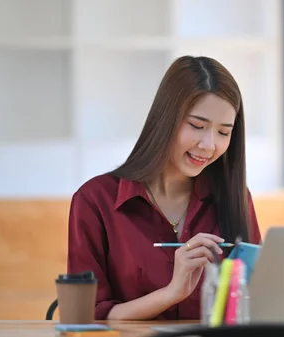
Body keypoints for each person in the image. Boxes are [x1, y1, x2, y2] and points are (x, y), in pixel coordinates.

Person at [66, 55, 262, 321]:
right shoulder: (95, 200)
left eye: (223, 132)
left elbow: (256, 302)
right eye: (197, 126)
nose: (209, 144)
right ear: (166, 119)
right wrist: (172, 292)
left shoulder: (234, 198)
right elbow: (85, 317)